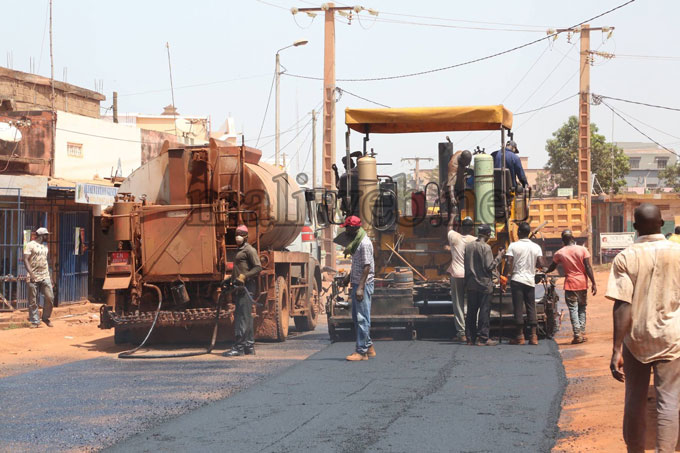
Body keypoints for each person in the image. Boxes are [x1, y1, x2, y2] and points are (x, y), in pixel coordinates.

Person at [606, 203, 680, 453]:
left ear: (635, 227)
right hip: (672, 338)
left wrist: (616, 349)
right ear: (662, 224)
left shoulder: (626, 257)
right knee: (668, 402)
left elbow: (622, 304)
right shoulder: (678, 252)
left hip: (636, 339)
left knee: (634, 400)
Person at [546, 229, 597, 344]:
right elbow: (588, 267)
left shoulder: (560, 253)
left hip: (570, 284)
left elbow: (553, 266)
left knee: (573, 309)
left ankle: (577, 334)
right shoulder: (583, 250)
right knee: (582, 308)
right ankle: (582, 333)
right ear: (573, 238)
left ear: (562, 240)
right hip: (582, 283)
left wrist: (545, 271)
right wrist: (593, 283)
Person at [223, 225, 262, 358]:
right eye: (236, 234)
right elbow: (240, 269)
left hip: (246, 287)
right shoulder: (239, 250)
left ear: (246, 236)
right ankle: (249, 346)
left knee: (241, 318)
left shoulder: (249, 250)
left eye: (240, 234)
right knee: (246, 316)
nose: (237, 236)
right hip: (239, 287)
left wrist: (245, 276)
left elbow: (258, 267)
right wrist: (229, 279)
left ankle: (239, 347)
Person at [340, 215, 375, 361]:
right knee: (357, 317)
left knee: (362, 318)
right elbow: (358, 265)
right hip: (356, 282)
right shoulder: (357, 242)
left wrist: (360, 287)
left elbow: (367, 266)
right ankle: (369, 346)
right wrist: (348, 278)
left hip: (363, 285)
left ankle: (361, 351)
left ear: (354, 228)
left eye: (347, 227)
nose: (346, 230)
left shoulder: (364, 243)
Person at [463, 224, 505, 346]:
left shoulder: (468, 246)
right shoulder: (486, 247)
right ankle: (483, 338)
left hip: (471, 284)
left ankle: (470, 338)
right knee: (484, 311)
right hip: (484, 285)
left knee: (471, 311)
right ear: (487, 235)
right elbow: (489, 266)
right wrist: (499, 256)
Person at [503, 222, 543, 345]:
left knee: (518, 308)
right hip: (529, 281)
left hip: (517, 280)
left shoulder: (513, 246)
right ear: (529, 233)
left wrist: (504, 276)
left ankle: (520, 336)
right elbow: (541, 264)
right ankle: (533, 336)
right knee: (531, 307)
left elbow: (509, 263)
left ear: (519, 232)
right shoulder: (536, 247)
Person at [446, 216, 476, 343]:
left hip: (457, 274)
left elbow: (449, 228)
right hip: (470, 275)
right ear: (472, 228)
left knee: (458, 303)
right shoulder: (475, 240)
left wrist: (452, 216)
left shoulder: (454, 237)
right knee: (472, 303)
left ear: (462, 227)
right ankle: (472, 331)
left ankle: (462, 333)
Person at [23, 227, 54, 328]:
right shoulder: (30, 245)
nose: (47, 237)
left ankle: (45, 318)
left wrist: (51, 276)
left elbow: (47, 262)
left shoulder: (45, 247)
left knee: (50, 297)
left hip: (45, 275)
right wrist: (31, 273)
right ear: (42, 235)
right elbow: (26, 259)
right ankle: (35, 320)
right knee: (33, 300)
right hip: (33, 276)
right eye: (46, 235)